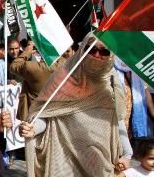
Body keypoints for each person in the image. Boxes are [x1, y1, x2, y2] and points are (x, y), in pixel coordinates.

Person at [19, 33, 131, 176]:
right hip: (65, 163)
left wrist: (127, 155)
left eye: (104, 51)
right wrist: (32, 128)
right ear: (82, 49)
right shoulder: (63, 79)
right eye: (90, 49)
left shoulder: (111, 82)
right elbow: (46, 115)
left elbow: (118, 121)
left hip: (100, 165)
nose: (96, 54)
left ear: (111, 56)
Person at [10, 41, 66, 121]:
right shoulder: (63, 64)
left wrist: (27, 51)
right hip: (56, 112)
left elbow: (13, 66)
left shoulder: (31, 67)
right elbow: (60, 59)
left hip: (35, 113)